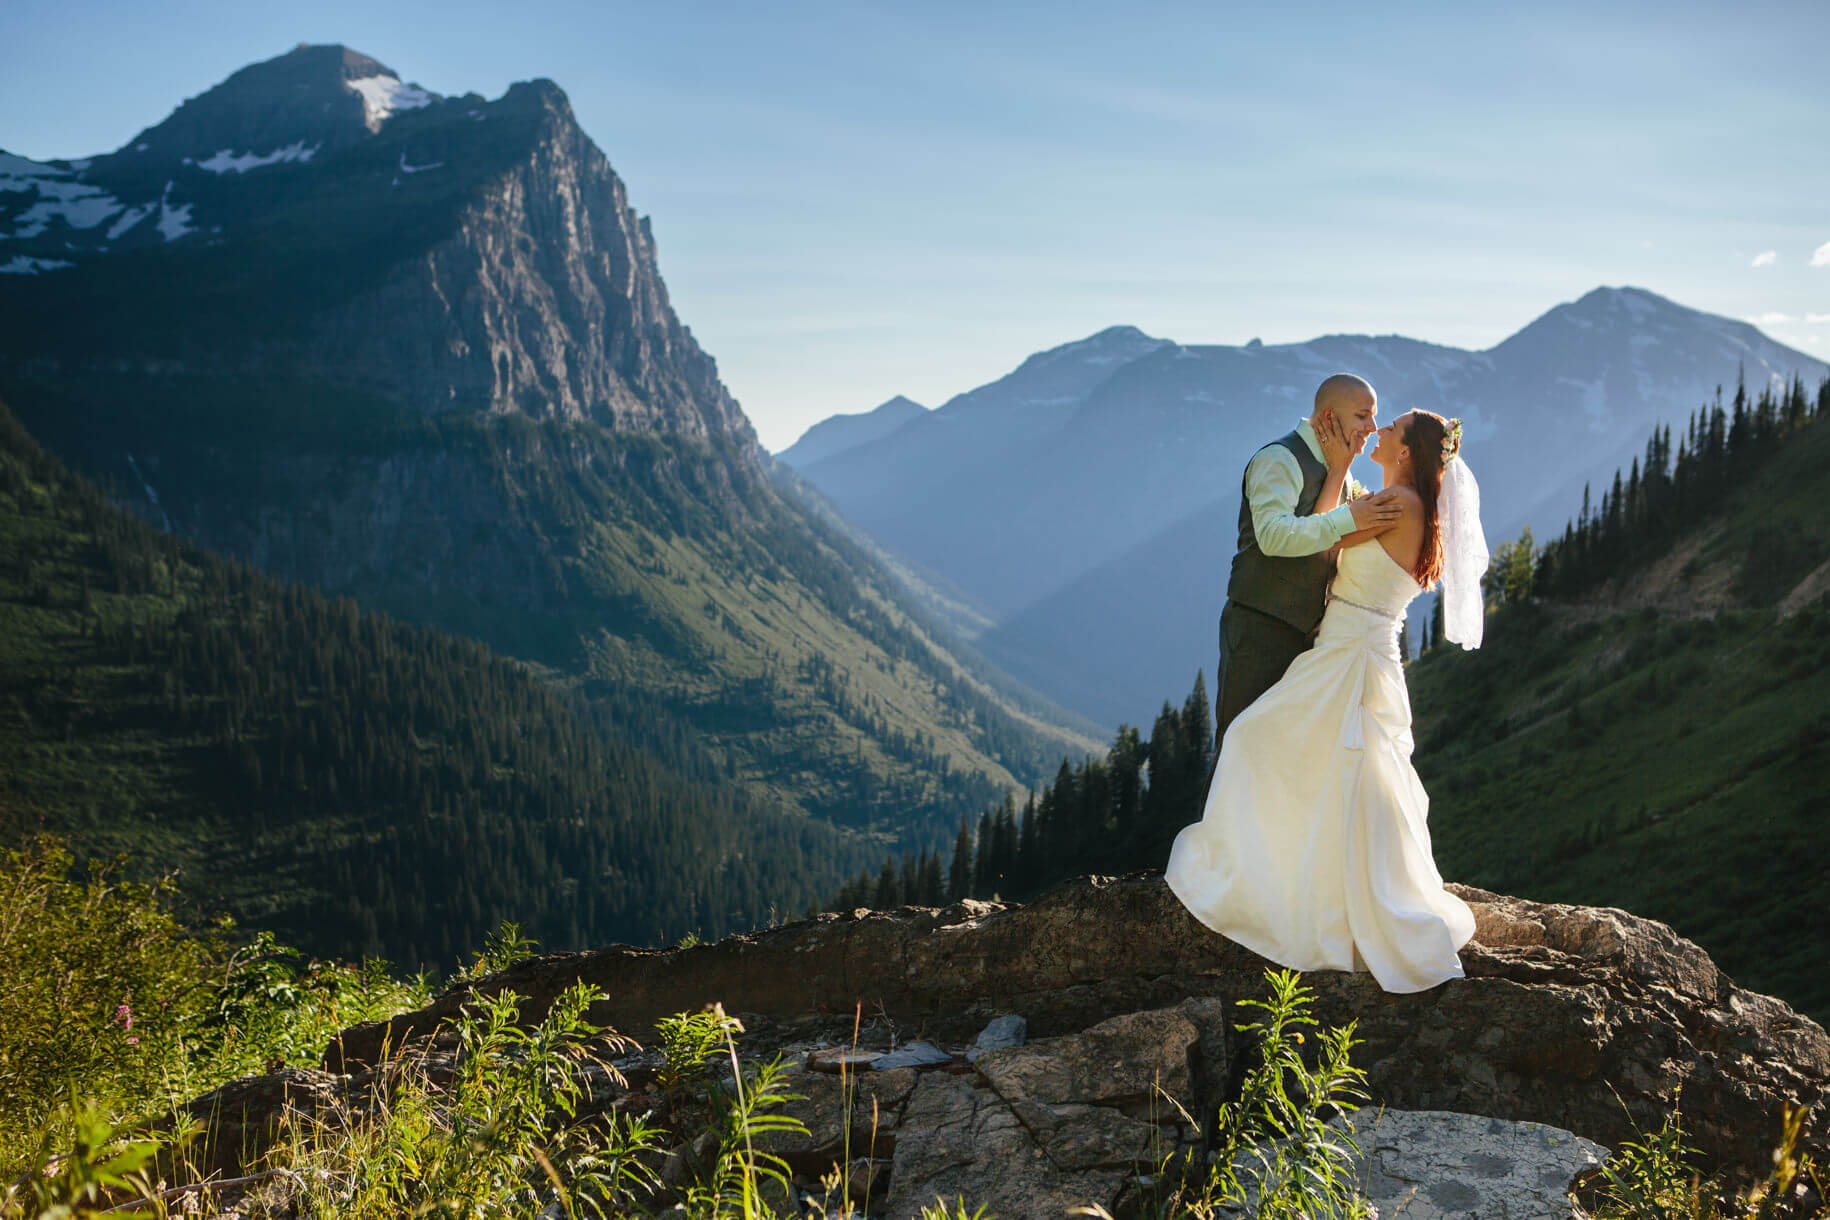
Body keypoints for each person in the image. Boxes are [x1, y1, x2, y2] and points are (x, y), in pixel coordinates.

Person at [1166, 409, 1489, 994]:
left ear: (1407, 452)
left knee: (1262, 742)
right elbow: (1332, 528)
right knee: (1341, 774)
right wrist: (1342, 475)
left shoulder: (1400, 506)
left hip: (1350, 653)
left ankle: (1305, 895)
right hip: (1349, 647)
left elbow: (1322, 534)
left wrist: (1338, 470)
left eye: (1389, 428)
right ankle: (1319, 885)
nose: (1379, 431)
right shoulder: (1401, 501)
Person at [1215, 374, 1405, 752]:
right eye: (1363, 416)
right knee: (1238, 748)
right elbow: (1273, 536)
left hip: (1312, 640)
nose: (1372, 427)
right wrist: (1353, 518)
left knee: (1283, 756)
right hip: (1259, 630)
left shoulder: (1344, 472)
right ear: (1330, 417)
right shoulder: (1279, 459)